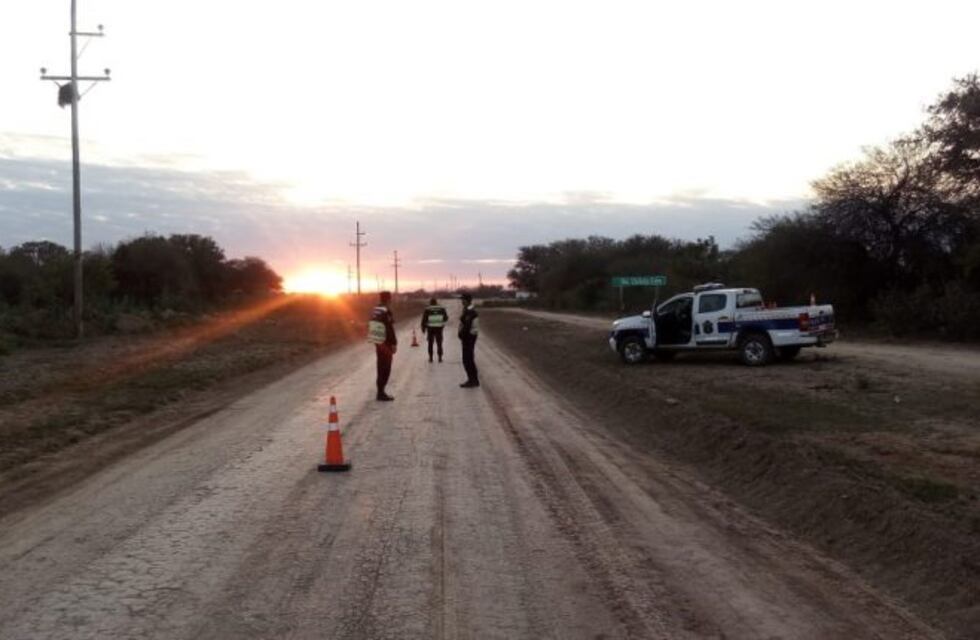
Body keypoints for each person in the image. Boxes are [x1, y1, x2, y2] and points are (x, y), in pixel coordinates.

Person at [368, 291, 397, 401]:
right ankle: (381, 393)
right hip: (386, 342)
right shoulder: (386, 311)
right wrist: (394, 343)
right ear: (389, 299)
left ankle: (380, 392)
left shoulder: (376, 310)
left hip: (377, 341)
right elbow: (390, 328)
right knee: (386, 367)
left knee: (380, 367)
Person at [458, 292, 480, 388]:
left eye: (462, 299)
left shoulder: (471, 312)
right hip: (467, 337)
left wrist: (465, 335)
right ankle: (473, 380)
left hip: (469, 338)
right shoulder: (467, 310)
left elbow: (470, 327)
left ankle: (472, 380)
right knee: (468, 359)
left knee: (468, 360)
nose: (461, 301)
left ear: (466, 300)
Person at [420, 297, 449, 363]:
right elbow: (446, 318)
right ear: (436, 302)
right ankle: (440, 358)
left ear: (430, 302)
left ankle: (430, 358)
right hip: (439, 328)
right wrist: (441, 322)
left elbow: (424, 319)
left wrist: (423, 328)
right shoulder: (441, 308)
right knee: (439, 343)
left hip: (430, 328)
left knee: (430, 343)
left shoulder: (427, 309)